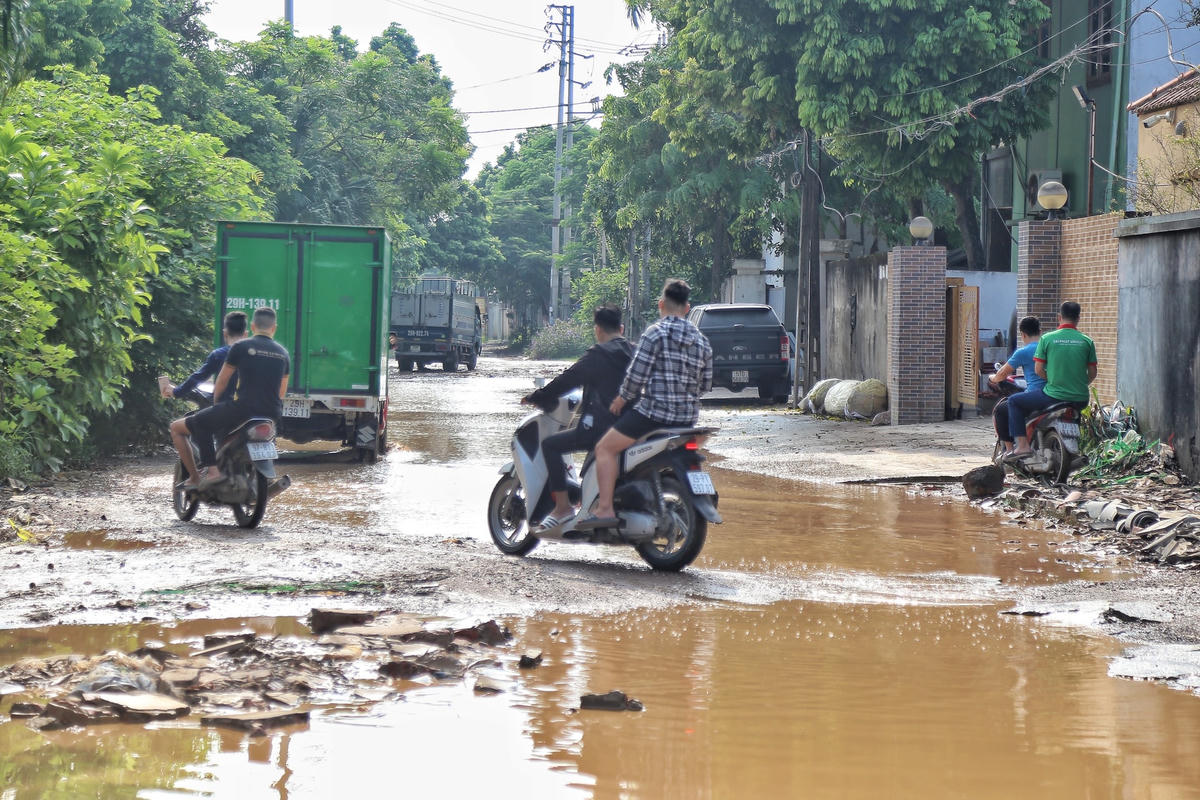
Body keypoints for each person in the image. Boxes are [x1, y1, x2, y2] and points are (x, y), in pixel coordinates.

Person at [577, 279, 713, 530]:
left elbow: (636, 375)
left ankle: (605, 509)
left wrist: (621, 399)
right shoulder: (702, 340)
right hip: (686, 421)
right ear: (687, 307)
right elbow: (705, 386)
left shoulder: (655, 333)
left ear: (661, 305)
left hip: (653, 416)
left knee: (605, 448)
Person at [521, 304, 633, 531]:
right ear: (621, 328)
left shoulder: (598, 355)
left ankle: (562, 507)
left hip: (601, 427)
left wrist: (538, 396)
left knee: (551, 445)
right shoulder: (635, 351)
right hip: (632, 426)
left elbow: (567, 380)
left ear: (598, 330)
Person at [170, 307, 291, 489]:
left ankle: (211, 472)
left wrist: (217, 403)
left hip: (242, 410)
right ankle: (263, 480)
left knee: (200, 424)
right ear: (274, 328)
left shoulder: (241, 347)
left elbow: (222, 380)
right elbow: (281, 392)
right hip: (271, 414)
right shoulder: (283, 353)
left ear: (252, 326)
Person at [1006, 301, 1097, 460]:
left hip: (1054, 396)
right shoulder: (1087, 341)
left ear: (1059, 317)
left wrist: (1054, 380)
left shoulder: (1047, 339)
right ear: (1078, 319)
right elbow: (1092, 373)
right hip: (1080, 399)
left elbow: (1038, 370)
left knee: (1014, 402)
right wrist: (1078, 384)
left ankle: (1022, 446)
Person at [161, 311, 247, 404]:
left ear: (225, 333)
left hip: (224, 409)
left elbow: (198, 377)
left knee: (187, 419)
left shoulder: (218, 355)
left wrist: (176, 392)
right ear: (245, 334)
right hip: (253, 410)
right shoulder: (254, 354)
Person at [987, 316, 1043, 456]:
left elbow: (1002, 374)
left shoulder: (1023, 352)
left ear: (1023, 334)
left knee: (1001, 409)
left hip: (1035, 395)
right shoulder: (1048, 348)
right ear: (1040, 332)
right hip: (1054, 393)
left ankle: (1011, 451)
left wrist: (992, 378)